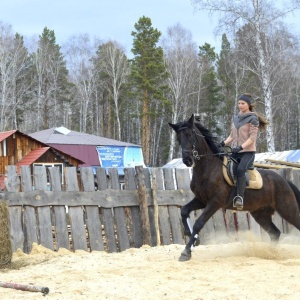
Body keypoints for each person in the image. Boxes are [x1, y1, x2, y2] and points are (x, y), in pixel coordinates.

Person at [220, 93, 268, 209]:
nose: (240, 105)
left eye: (243, 103)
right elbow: (232, 136)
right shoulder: (236, 119)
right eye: (239, 103)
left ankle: (240, 198)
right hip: (236, 152)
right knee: (227, 168)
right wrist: (222, 143)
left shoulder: (253, 119)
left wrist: (241, 147)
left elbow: (252, 138)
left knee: (241, 169)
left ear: (249, 105)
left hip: (248, 152)